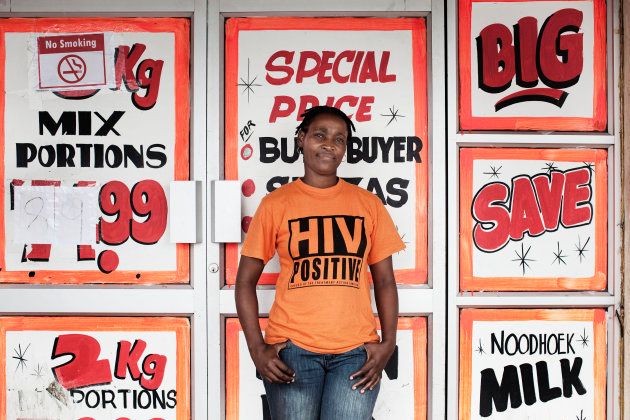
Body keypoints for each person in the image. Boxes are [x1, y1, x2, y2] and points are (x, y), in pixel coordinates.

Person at [235, 105, 405, 420]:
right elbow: (244, 281)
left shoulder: (368, 205)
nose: (329, 144)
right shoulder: (276, 204)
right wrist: (256, 348)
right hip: (292, 351)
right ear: (301, 139)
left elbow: (385, 281)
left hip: (356, 353)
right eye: (319, 135)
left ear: (345, 150)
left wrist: (388, 344)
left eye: (339, 139)